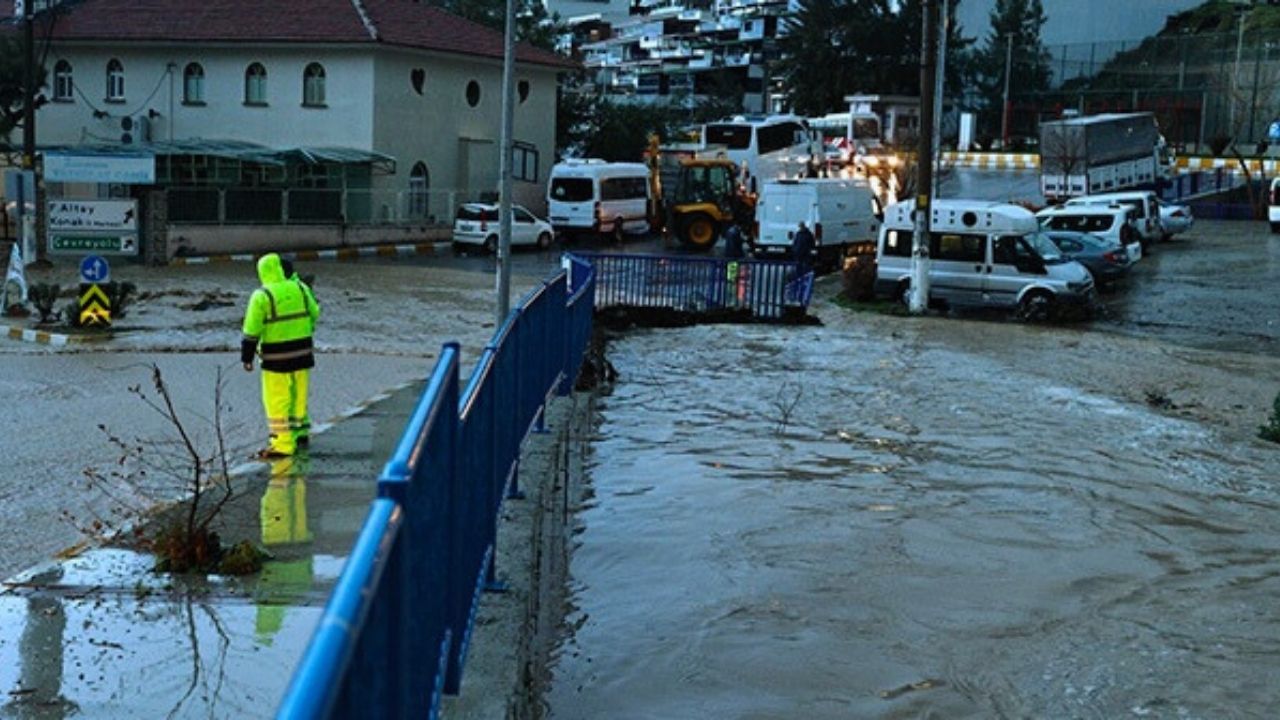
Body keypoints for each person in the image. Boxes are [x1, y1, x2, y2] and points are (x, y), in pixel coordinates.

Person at [242, 253, 321, 458]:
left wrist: (247, 358)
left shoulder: (262, 296)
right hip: (303, 353)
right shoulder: (301, 288)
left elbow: (251, 330)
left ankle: (282, 444)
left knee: (277, 400)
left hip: (276, 358)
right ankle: (300, 433)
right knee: (298, 394)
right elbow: (315, 312)